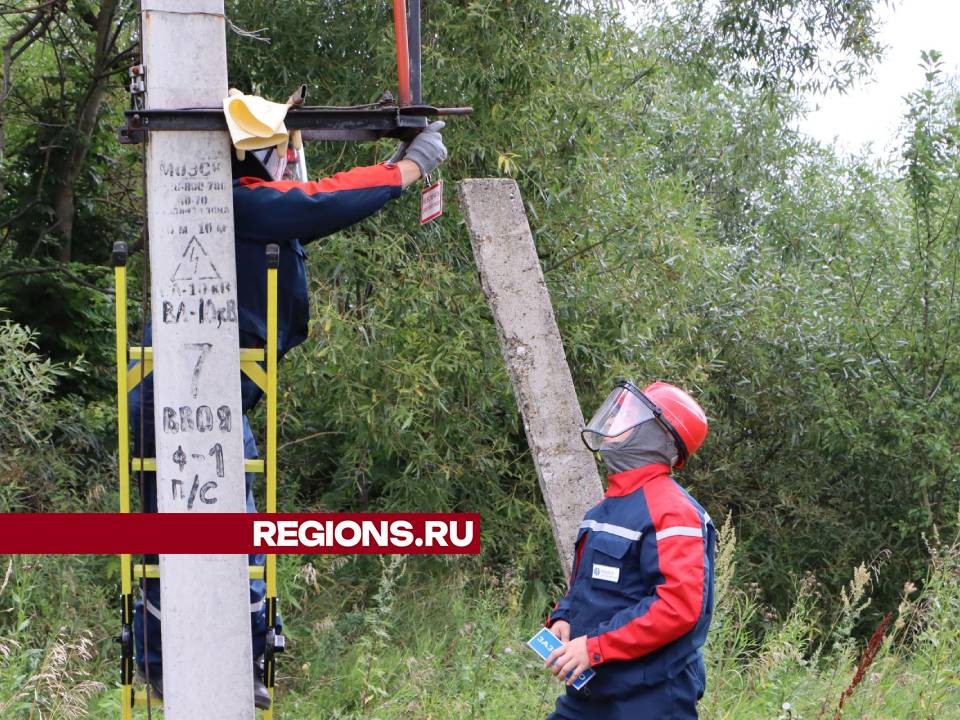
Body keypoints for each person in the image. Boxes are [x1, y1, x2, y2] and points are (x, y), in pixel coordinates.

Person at [129, 122, 448, 709]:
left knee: (224, 535)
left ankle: (227, 660)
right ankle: (186, 666)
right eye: (282, 150)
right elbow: (316, 202)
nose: (289, 162)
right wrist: (405, 171)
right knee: (186, 537)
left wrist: (388, 163)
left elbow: (307, 201)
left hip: (209, 387)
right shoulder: (232, 200)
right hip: (187, 390)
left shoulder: (241, 208)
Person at [543, 380, 715, 720]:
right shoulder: (603, 510)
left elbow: (678, 607)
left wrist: (594, 647)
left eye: (630, 415)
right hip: (591, 691)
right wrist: (564, 617)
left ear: (656, 435)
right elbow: (593, 589)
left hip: (648, 700)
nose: (614, 422)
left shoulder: (672, 511)